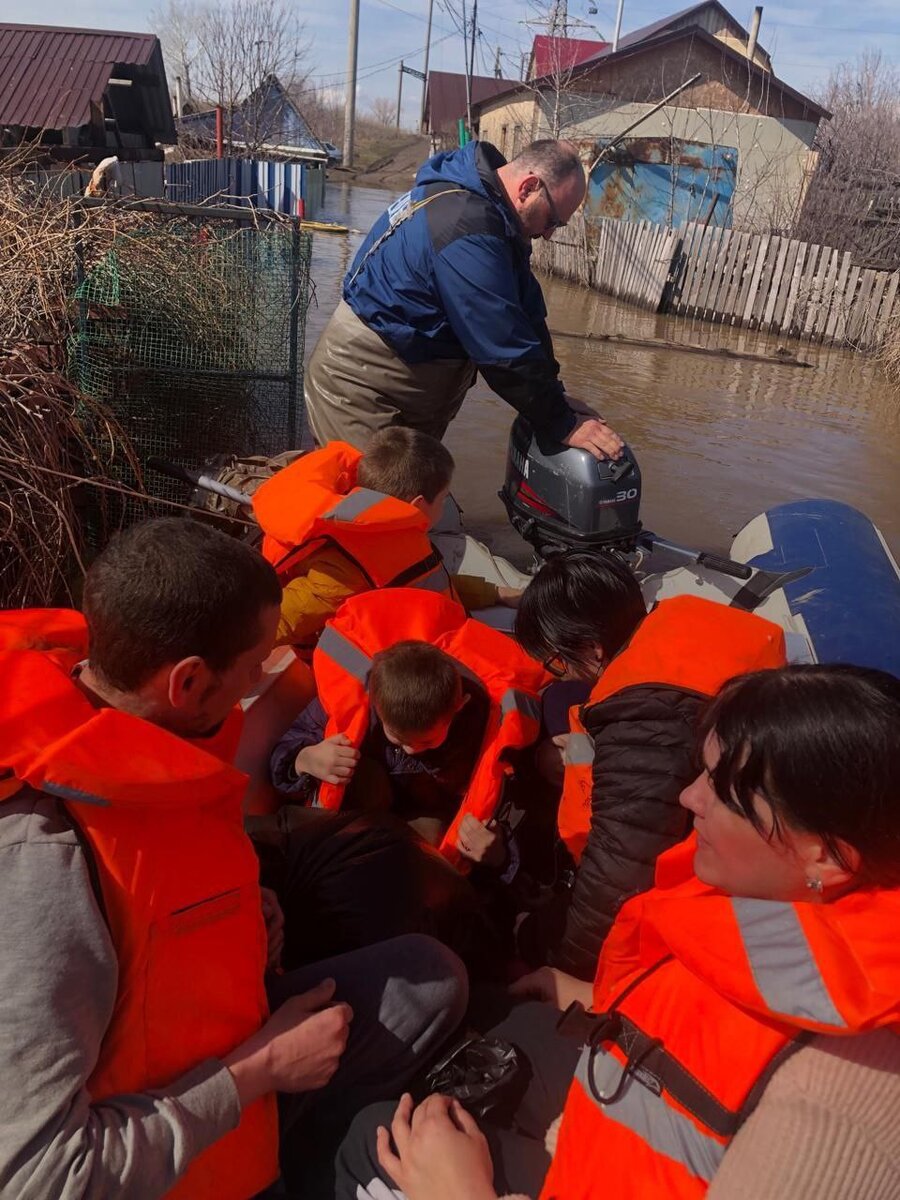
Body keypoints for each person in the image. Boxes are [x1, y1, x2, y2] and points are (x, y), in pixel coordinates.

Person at [0, 518, 467, 1200]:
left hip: (214, 1043)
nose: (262, 682)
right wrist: (260, 1069)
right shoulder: (41, 868)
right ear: (187, 683)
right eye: (252, 669)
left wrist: (242, 919)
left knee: (431, 978)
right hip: (169, 1147)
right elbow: (41, 1178)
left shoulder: (143, 739)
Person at [337, 663, 900, 1200]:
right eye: (701, 771)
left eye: (721, 792)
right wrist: (596, 999)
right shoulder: (784, 898)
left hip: (608, 1168)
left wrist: (462, 1190)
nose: (688, 799)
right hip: (613, 1099)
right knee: (486, 1012)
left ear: (823, 857)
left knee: (373, 1135)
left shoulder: (838, 1117)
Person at [513, 552, 786, 979]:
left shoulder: (645, 722)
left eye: (557, 663)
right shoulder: (678, 625)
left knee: (528, 939)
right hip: (742, 826)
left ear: (593, 649)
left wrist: (565, 963)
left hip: (718, 896)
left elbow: (619, 879)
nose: (560, 677)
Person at [305, 138, 623, 461]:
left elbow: (525, 316)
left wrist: (556, 396)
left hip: (404, 385)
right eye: (553, 220)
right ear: (528, 188)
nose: (549, 234)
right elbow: (502, 349)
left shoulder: (495, 213)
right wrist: (563, 424)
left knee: (415, 497)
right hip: (361, 389)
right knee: (372, 504)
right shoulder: (467, 227)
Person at [272, 588, 546, 868]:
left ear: (459, 706)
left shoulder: (486, 724)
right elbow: (286, 749)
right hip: (371, 806)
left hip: (430, 814)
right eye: (398, 739)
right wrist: (304, 759)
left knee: (427, 846)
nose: (411, 749)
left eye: (426, 742)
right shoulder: (362, 700)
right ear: (376, 704)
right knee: (363, 778)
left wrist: (500, 852)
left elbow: (520, 802)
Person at [251, 427, 519, 655]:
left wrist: (496, 593)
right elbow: (277, 622)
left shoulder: (390, 538)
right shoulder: (345, 571)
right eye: (443, 498)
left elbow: (426, 588)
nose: (445, 504)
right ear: (417, 505)